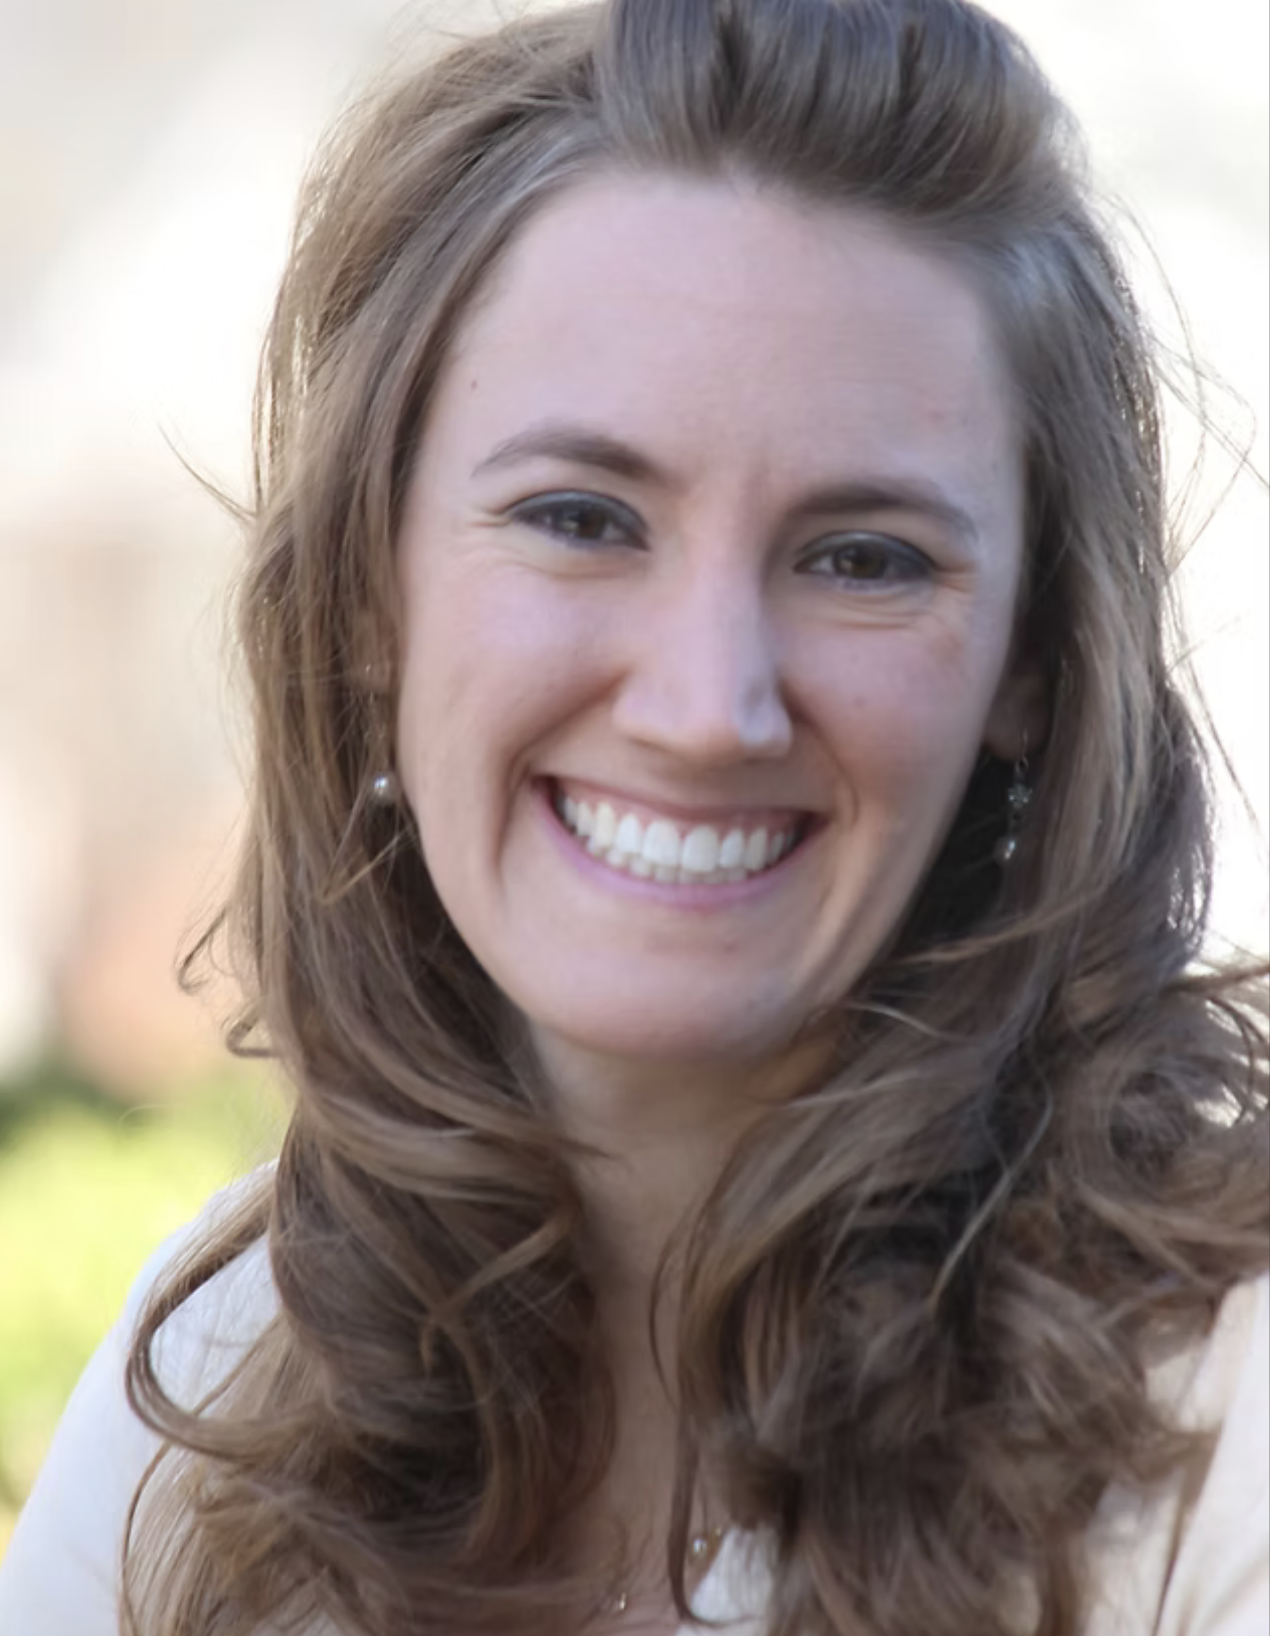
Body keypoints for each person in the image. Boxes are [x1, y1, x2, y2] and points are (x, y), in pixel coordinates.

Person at [1, 0, 1266, 1632]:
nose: (703, 704)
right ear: (370, 599)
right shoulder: (220, 1377)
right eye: (581, 518)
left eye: (862, 556)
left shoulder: (1222, 1413)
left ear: (1031, 662)